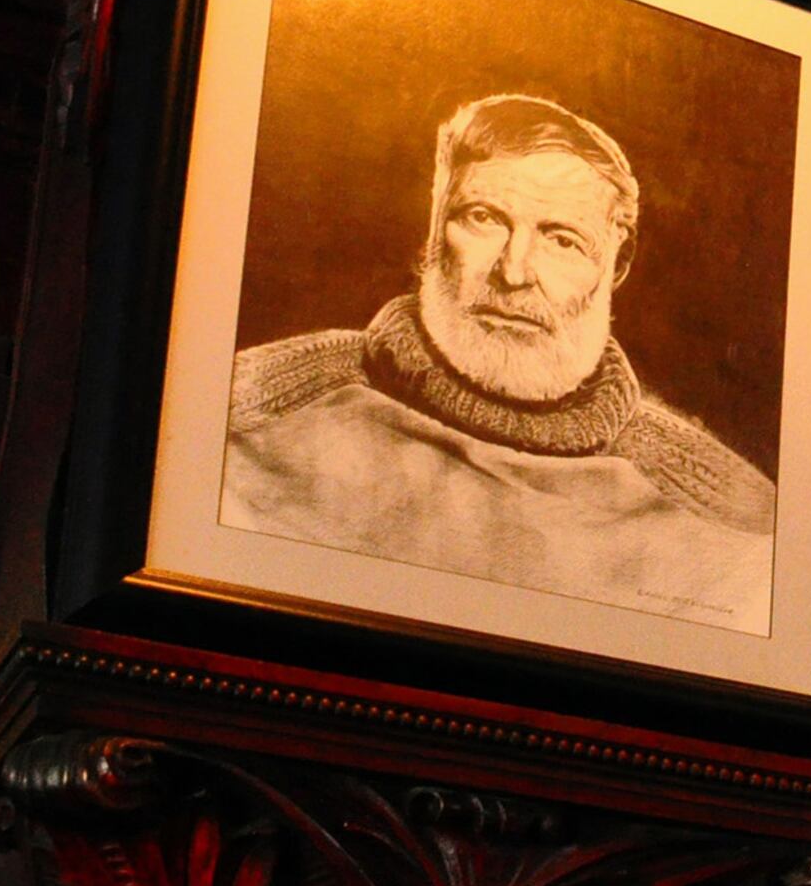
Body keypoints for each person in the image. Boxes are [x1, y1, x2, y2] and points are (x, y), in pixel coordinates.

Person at [223, 94, 773, 631]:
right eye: (483, 218)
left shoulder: (742, 530)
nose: (513, 273)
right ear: (435, 230)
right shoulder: (242, 416)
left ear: (618, 264)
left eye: (562, 240)